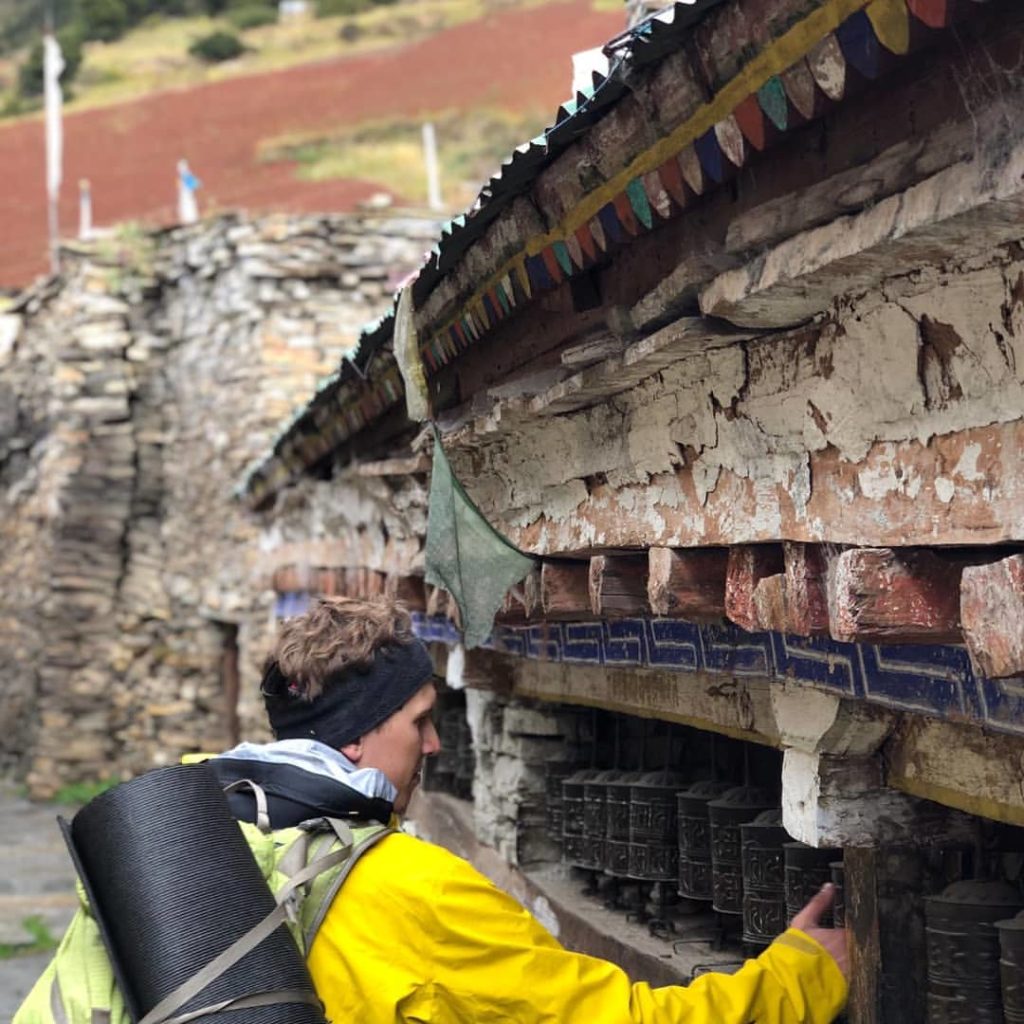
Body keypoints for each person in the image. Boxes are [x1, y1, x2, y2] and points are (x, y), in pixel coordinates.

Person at [214, 594, 848, 1024]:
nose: (434, 743)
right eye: (419, 721)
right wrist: (804, 974)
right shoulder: (411, 891)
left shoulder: (221, 829)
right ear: (356, 734)